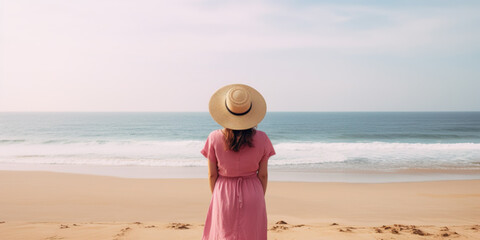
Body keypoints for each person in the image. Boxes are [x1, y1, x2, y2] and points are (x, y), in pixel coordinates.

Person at [201, 84, 276, 240]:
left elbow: (211, 175)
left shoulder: (214, 138)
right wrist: (258, 196)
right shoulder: (262, 138)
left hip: (223, 191)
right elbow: (263, 175)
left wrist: (217, 195)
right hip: (253, 191)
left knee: (222, 234)